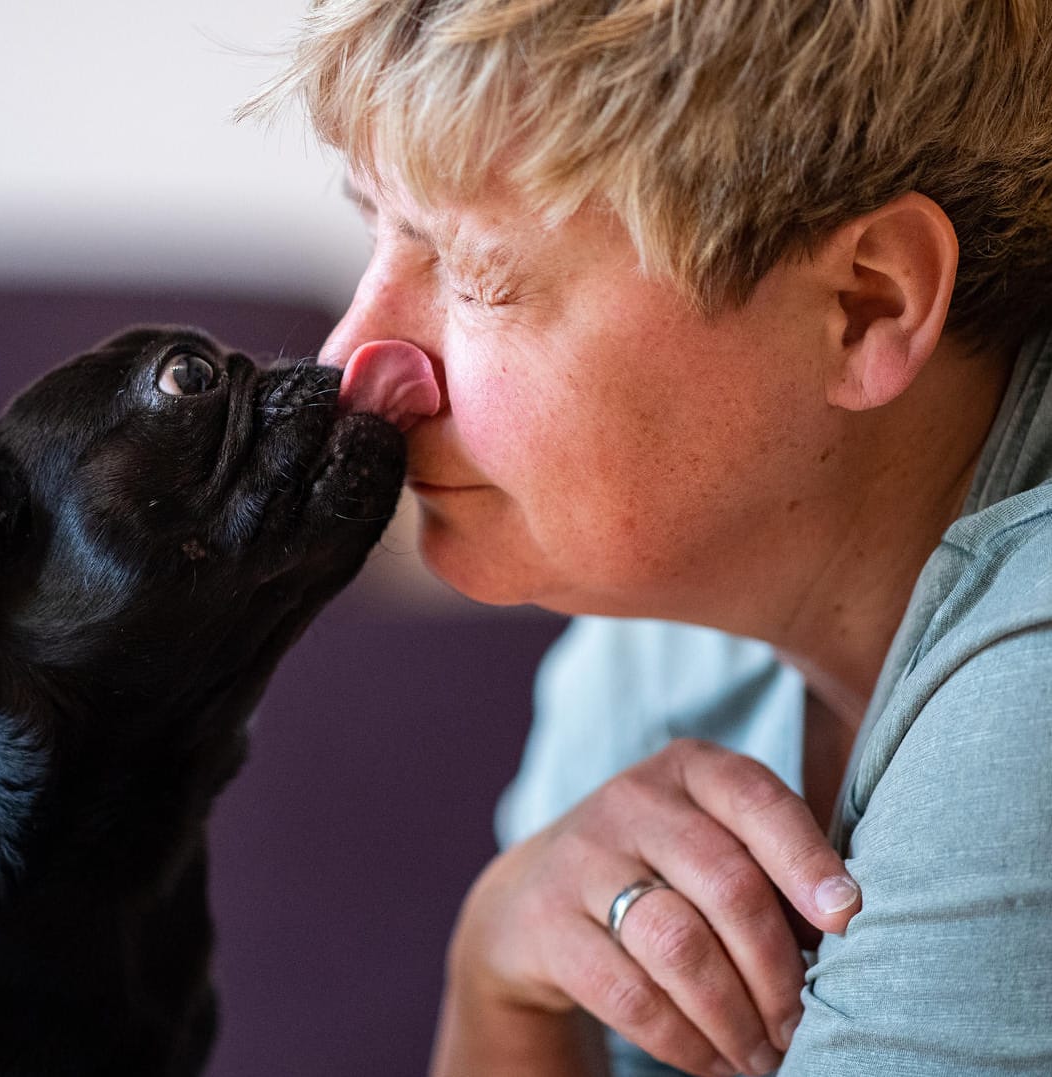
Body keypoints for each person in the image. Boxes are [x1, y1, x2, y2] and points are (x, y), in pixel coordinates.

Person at [242, 2, 1052, 1074]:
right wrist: (497, 968)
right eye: (378, 231)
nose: (352, 367)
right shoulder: (659, 636)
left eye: (478, 271)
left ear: (864, 304)